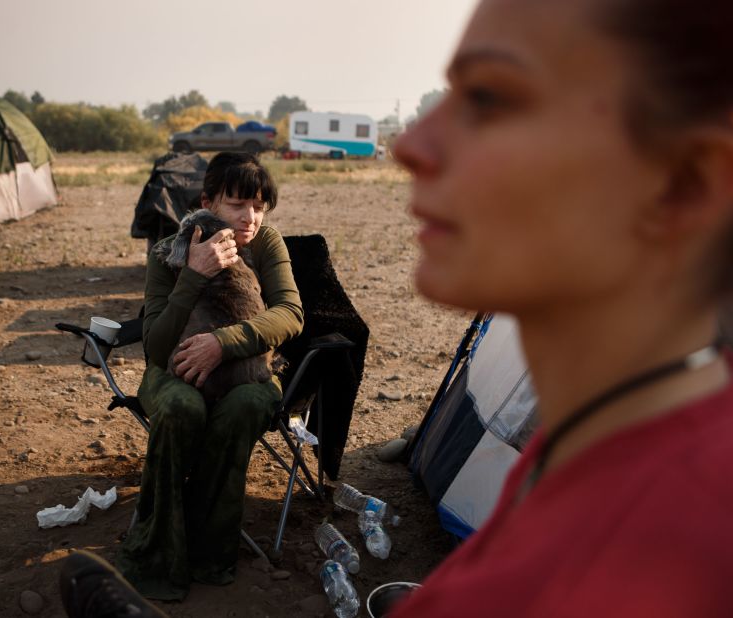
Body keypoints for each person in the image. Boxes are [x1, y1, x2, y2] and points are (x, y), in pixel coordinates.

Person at [387, 0, 733, 616]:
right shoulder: (604, 442)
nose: (411, 144)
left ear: (686, 185)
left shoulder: (661, 570)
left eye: (490, 97)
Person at [111, 151, 303, 601]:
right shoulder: (169, 251)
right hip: (173, 369)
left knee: (244, 407)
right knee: (180, 407)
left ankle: (211, 555)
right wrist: (194, 275)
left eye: (259, 206)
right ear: (209, 201)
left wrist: (225, 343)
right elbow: (157, 347)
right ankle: (157, 557)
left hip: (248, 372)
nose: (250, 217)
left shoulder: (266, 244)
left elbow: (290, 314)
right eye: (237, 204)